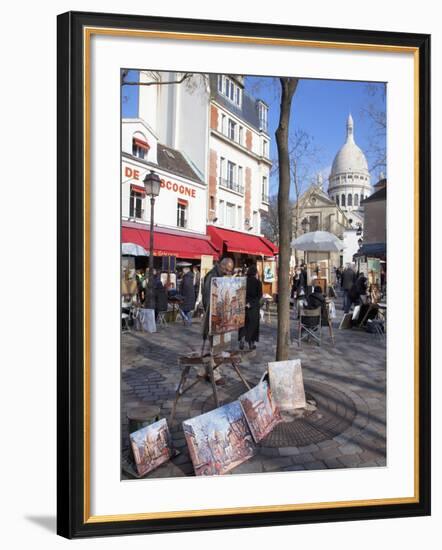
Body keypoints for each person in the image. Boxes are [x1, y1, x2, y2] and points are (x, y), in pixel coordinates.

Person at [238, 265, 263, 350]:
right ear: (255, 273)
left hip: (243, 305)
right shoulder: (258, 282)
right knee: (252, 325)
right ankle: (251, 344)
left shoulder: (243, 281)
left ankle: (241, 339)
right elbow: (259, 296)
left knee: (243, 324)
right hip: (253, 307)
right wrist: (251, 304)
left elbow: (239, 293)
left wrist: (244, 302)